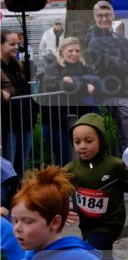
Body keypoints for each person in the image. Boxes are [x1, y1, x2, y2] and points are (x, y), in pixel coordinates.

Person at [64, 113, 128, 252]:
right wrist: (61, 210)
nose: (82, 146)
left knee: (92, 252)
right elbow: (56, 192)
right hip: (87, 225)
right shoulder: (70, 169)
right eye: (77, 142)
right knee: (103, 258)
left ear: (101, 140)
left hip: (111, 223)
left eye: (88, 141)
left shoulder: (115, 165)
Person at [84, 1, 128, 150]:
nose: (104, 19)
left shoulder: (117, 37)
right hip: (117, 93)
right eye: (100, 16)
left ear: (113, 15)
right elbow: (116, 66)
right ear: (95, 17)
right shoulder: (95, 42)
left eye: (107, 15)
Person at [40, 37, 99, 165]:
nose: (74, 54)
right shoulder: (53, 66)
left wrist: (71, 81)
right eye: (70, 51)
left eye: (77, 51)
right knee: (64, 157)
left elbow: (94, 83)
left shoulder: (85, 67)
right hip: (54, 119)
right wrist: (82, 87)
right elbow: (53, 84)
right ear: (62, 51)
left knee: (82, 156)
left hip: (79, 118)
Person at [2, 30, 38, 175]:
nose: (16, 47)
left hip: (25, 121)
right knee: (9, 167)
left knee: (21, 165)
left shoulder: (17, 67)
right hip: (8, 124)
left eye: (17, 43)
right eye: (12, 44)